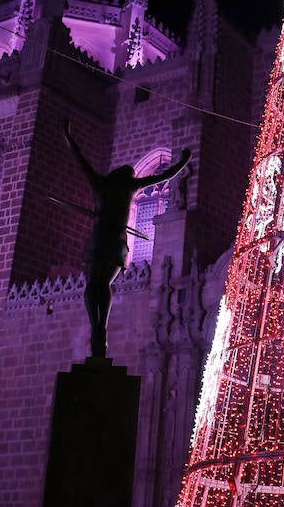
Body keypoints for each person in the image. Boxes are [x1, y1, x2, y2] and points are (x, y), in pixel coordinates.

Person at [63, 119, 192, 358]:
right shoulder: (130, 186)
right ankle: (101, 327)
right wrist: (184, 159)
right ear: (128, 176)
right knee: (104, 284)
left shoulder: (100, 183)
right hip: (115, 243)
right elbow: (167, 176)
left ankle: (96, 327)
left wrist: (67, 135)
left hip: (98, 239)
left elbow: (79, 158)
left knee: (94, 284)